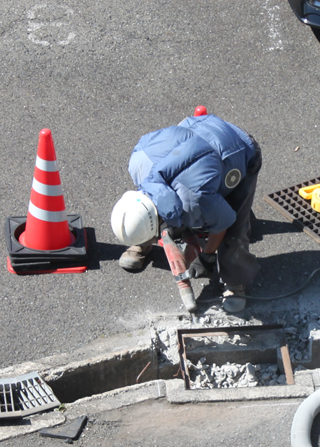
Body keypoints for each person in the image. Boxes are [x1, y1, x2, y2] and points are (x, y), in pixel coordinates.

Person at [110, 111, 261, 313]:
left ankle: (235, 281)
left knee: (235, 224)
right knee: (182, 210)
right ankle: (142, 241)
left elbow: (223, 224)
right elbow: (151, 200)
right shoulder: (138, 164)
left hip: (236, 148)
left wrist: (207, 256)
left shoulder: (195, 198)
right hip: (197, 130)